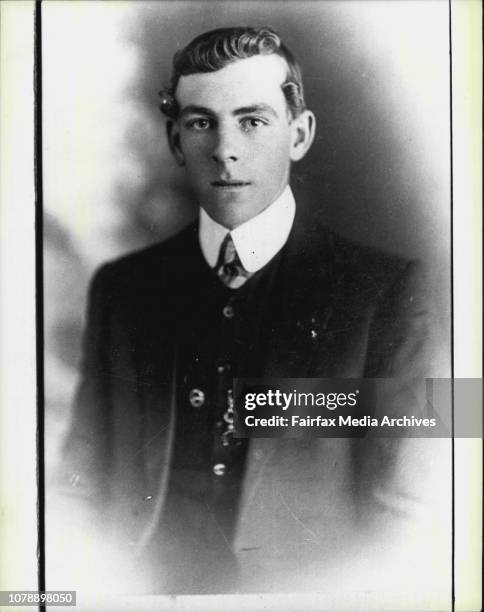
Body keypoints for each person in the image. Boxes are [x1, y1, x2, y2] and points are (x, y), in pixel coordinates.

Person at [58, 27, 446, 596]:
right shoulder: (123, 290)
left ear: (299, 133)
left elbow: (411, 508)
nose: (224, 149)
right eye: (200, 122)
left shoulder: (388, 292)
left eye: (253, 120)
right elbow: (81, 481)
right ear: (174, 140)